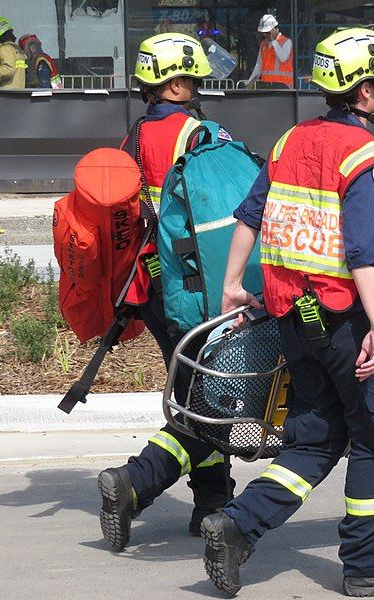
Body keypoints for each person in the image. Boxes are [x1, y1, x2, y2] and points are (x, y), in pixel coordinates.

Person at [201, 27, 374, 598]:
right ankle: (367, 564)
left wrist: (233, 284)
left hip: (293, 321)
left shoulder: (288, 142)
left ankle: (236, 525)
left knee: (314, 438)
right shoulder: (365, 156)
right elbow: (363, 251)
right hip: (341, 321)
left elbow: (249, 216)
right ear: (366, 91)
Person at [97, 32, 235, 552]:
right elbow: (231, 200)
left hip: (152, 287)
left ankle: (212, 503)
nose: (197, 87)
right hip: (192, 290)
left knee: (195, 394)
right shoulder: (196, 132)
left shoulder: (133, 135)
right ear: (176, 81)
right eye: (194, 79)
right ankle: (135, 482)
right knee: (208, 404)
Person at [244, 14, 293, 89]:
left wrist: (274, 41)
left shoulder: (286, 42)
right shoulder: (264, 44)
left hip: (283, 87)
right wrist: (250, 82)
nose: (265, 35)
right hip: (266, 86)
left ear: (275, 29)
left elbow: (282, 58)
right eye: (263, 33)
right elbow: (259, 66)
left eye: (267, 32)